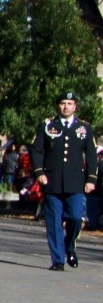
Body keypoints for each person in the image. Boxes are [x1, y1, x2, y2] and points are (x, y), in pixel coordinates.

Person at [29, 90, 95, 271]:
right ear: (58, 105)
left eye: (70, 104)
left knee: (75, 217)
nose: (66, 107)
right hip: (52, 180)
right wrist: (39, 172)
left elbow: (91, 155)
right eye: (63, 103)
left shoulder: (84, 128)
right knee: (54, 221)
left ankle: (69, 245)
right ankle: (58, 259)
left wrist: (91, 179)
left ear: (75, 107)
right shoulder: (48, 125)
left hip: (75, 181)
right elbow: (36, 150)